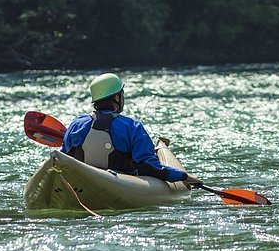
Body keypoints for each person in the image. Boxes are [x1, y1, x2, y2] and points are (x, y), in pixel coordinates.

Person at [62, 73, 201, 187]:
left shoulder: (77, 124)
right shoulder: (131, 127)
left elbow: (64, 160)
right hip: (120, 186)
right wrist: (182, 176)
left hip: (80, 183)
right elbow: (148, 167)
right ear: (117, 97)